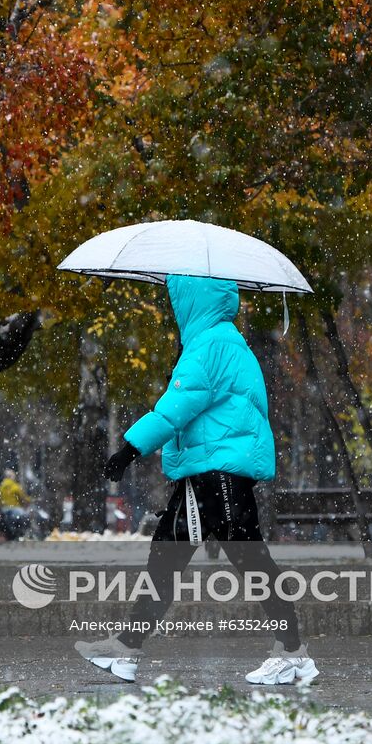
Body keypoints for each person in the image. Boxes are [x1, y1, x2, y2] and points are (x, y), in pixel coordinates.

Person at [74, 275, 317, 685]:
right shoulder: (217, 341)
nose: (174, 308)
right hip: (202, 474)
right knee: (165, 558)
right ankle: (127, 649)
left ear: (192, 299)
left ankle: (293, 652)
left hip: (218, 475)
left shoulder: (211, 344)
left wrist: (129, 449)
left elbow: (177, 408)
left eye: (177, 299)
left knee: (251, 560)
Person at [0, 470, 31, 541]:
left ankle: (12, 535)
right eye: (13, 476)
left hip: (4, 510)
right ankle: (24, 535)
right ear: (11, 477)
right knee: (26, 516)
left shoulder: (1, 487)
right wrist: (29, 500)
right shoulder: (15, 486)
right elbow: (22, 498)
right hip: (15, 509)